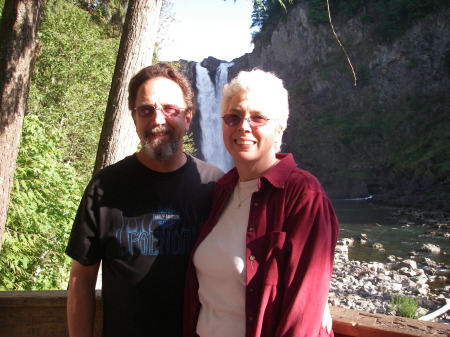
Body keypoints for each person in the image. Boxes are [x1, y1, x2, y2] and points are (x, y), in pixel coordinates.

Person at [65, 63, 224, 337]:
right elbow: (81, 279)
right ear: (135, 118)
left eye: (170, 110)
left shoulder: (215, 185)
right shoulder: (105, 187)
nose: (158, 120)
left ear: (188, 117)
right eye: (146, 110)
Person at [184, 69, 339, 337]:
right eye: (233, 117)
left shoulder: (304, 194)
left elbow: (302, 314)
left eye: (258, 117)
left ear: (280, 126)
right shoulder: (220, 191)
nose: (243, 126)